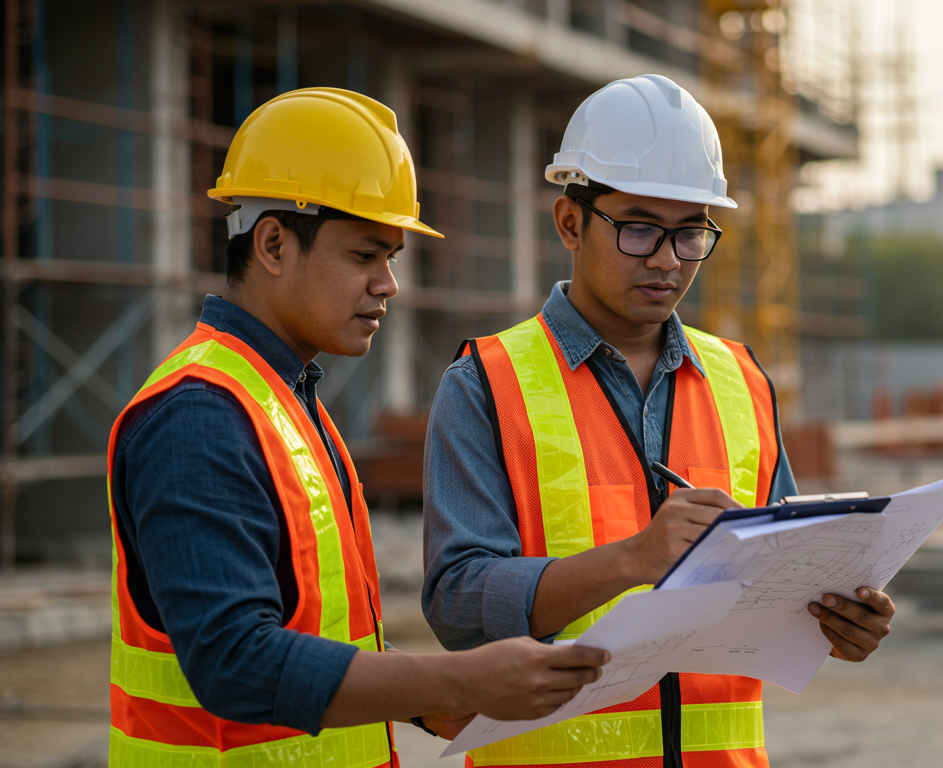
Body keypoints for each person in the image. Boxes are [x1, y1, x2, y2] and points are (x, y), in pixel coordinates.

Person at [107, 88, 607, 768]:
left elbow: (307, 628)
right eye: (366, 254)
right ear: (274, 243)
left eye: (391, 256)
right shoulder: (199, 415)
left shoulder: (283, 397)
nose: (389, 283)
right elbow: (233, 661)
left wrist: (419, 697)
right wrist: (458, 677)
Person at [423, 74, 894, 768]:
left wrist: (842, 618)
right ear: (570, 222)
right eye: (640, 228)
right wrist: (631, 561)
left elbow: (788, 578)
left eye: (691, 233)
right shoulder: (486, 385)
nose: (668, 260)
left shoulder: (742, 381)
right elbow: (459, 607)